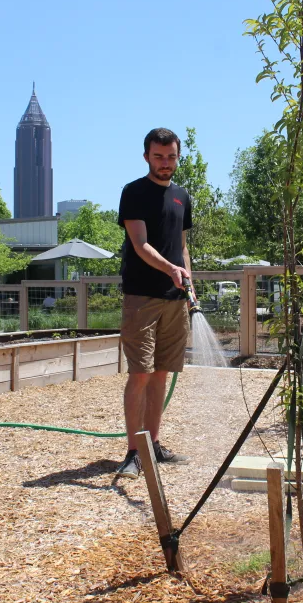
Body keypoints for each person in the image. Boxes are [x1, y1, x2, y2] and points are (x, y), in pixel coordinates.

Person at [114, 128, 195, 477]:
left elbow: (181, 246)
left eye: (171, 156)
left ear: (178, 157)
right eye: (159, 156)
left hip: (175, 298)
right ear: (146, 156)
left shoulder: (182, 196)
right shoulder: (133, 192)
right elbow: (140, 244)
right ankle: (134, 451)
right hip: (142, 296)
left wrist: (189, 284)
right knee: (141, 373)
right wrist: (172, 269)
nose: (165, 163)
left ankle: (154, 445)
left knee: (161, 373)